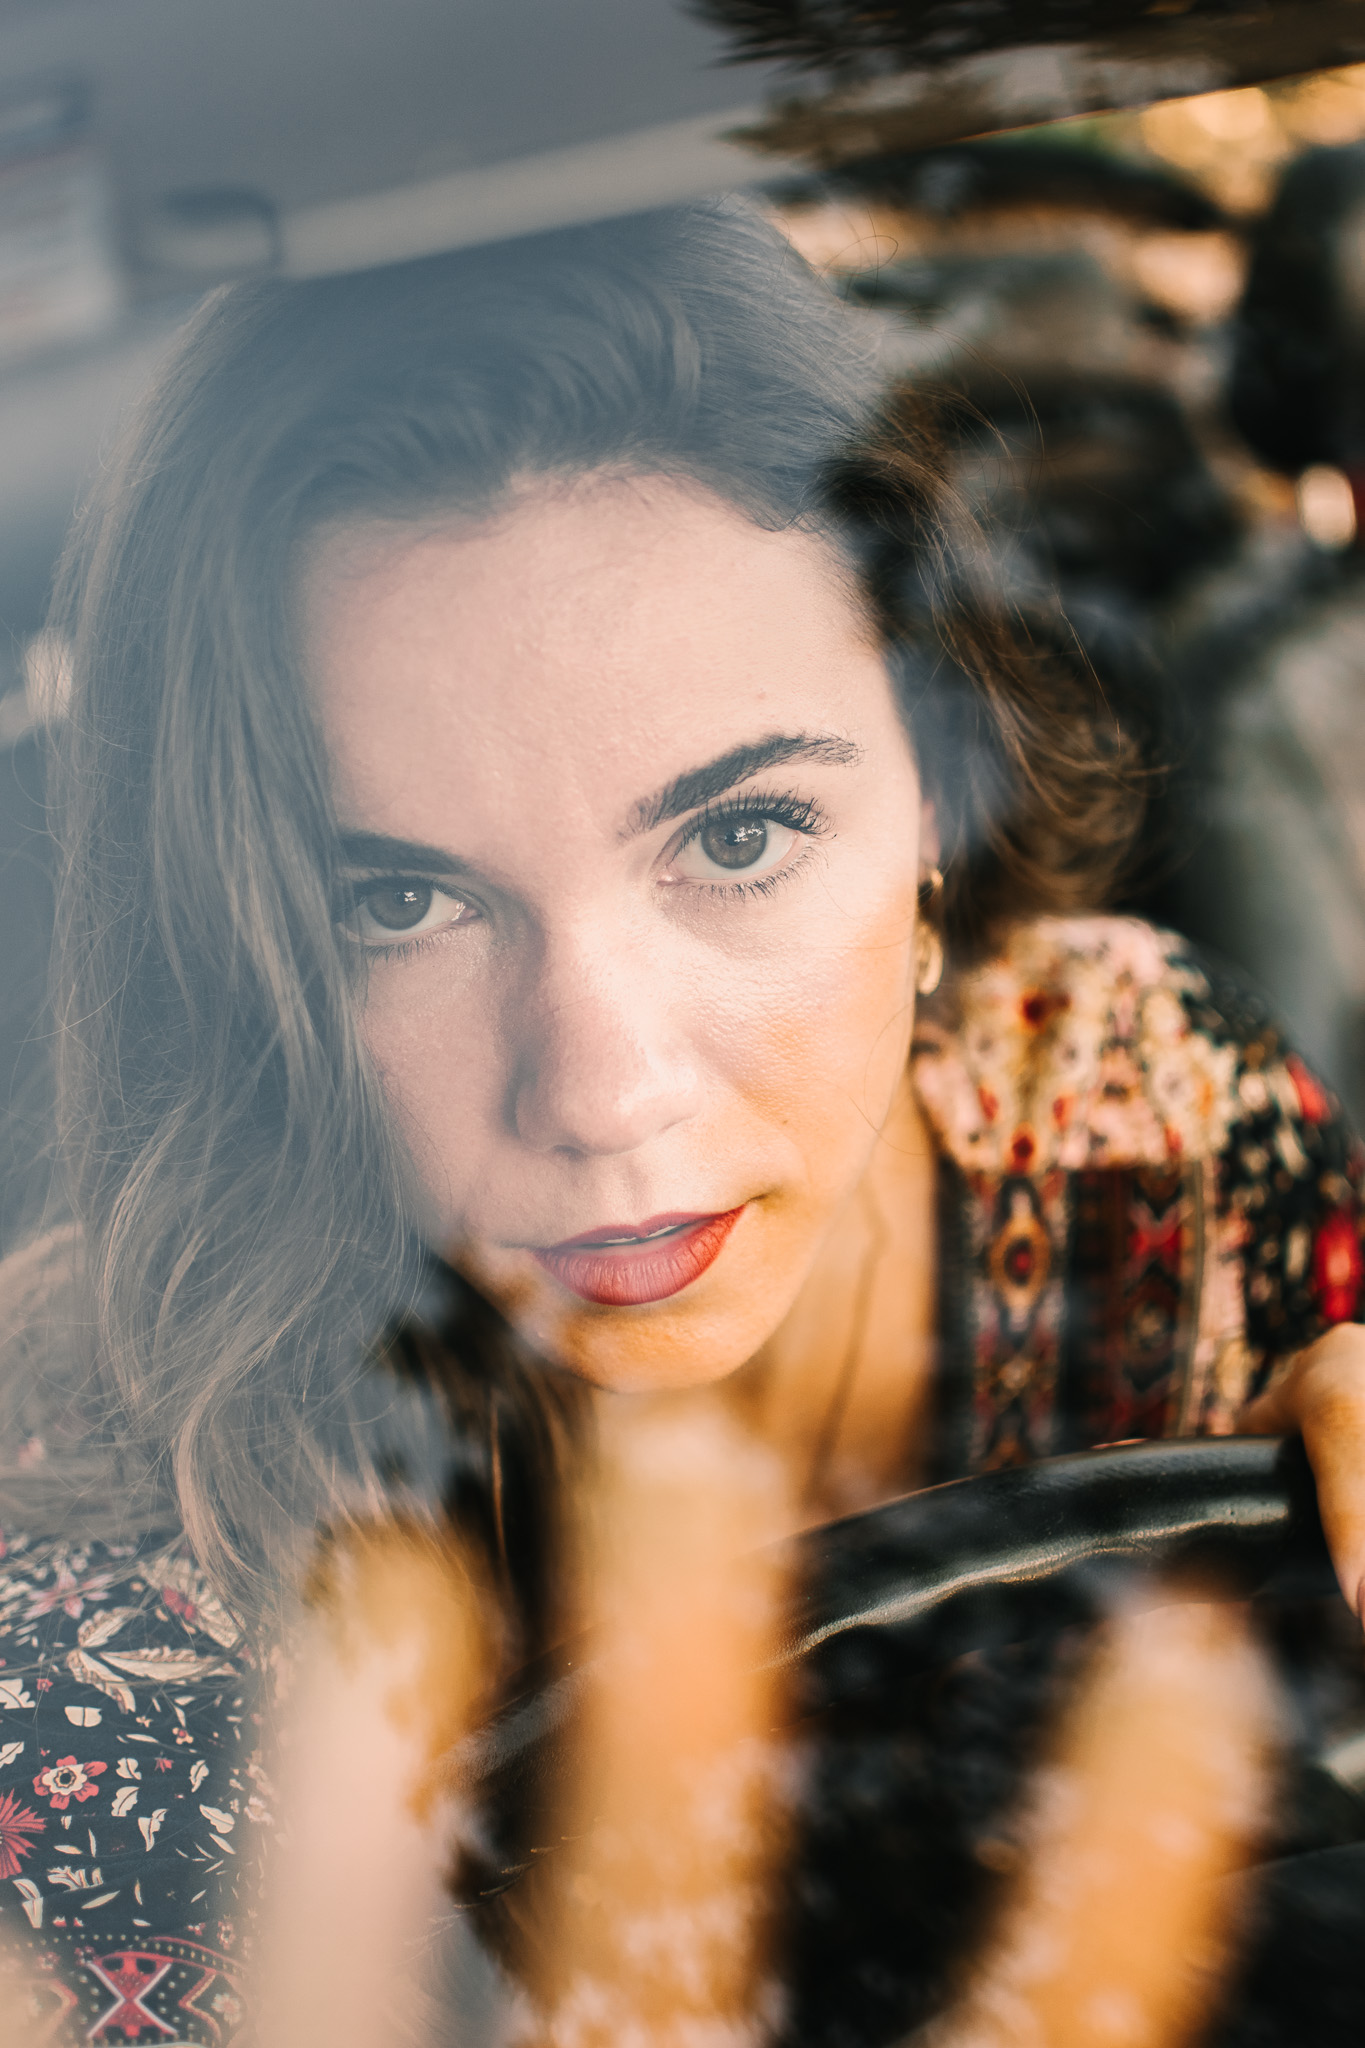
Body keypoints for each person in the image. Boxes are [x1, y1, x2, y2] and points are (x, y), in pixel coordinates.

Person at [1, 199, 1364, 2047]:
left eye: (738, 836)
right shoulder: (85, 1630)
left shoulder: (1157, 1106)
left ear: (937, 796)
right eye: (396, 902)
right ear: (243, 942)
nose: (604, 1088)